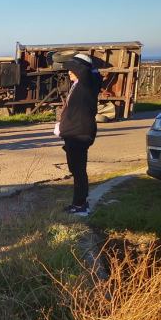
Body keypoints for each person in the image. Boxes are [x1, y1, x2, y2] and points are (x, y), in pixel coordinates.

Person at [57, 58, 98, 215]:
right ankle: (79, 202)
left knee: (79, 170)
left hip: (79, 134)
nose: (69, 72)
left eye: (72, 69)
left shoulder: (87, 83)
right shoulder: (78, 85)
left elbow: (83, 69)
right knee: (76, 169)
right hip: (73, 133)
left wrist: (65, 58)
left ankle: (80, 205)